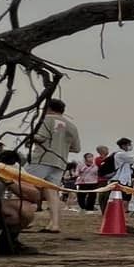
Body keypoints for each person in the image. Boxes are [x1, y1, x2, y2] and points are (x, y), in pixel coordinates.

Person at [24, 97, 80, 234]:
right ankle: (54, 224)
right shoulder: (72, 126)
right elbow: (76, 148)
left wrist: (29, 138)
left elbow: (40, 137)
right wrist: (61, 147)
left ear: (48, 108)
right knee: (52, 192)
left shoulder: (46, 119)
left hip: (42, 158)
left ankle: (24, 220)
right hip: (60, 161)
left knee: (23, 186)